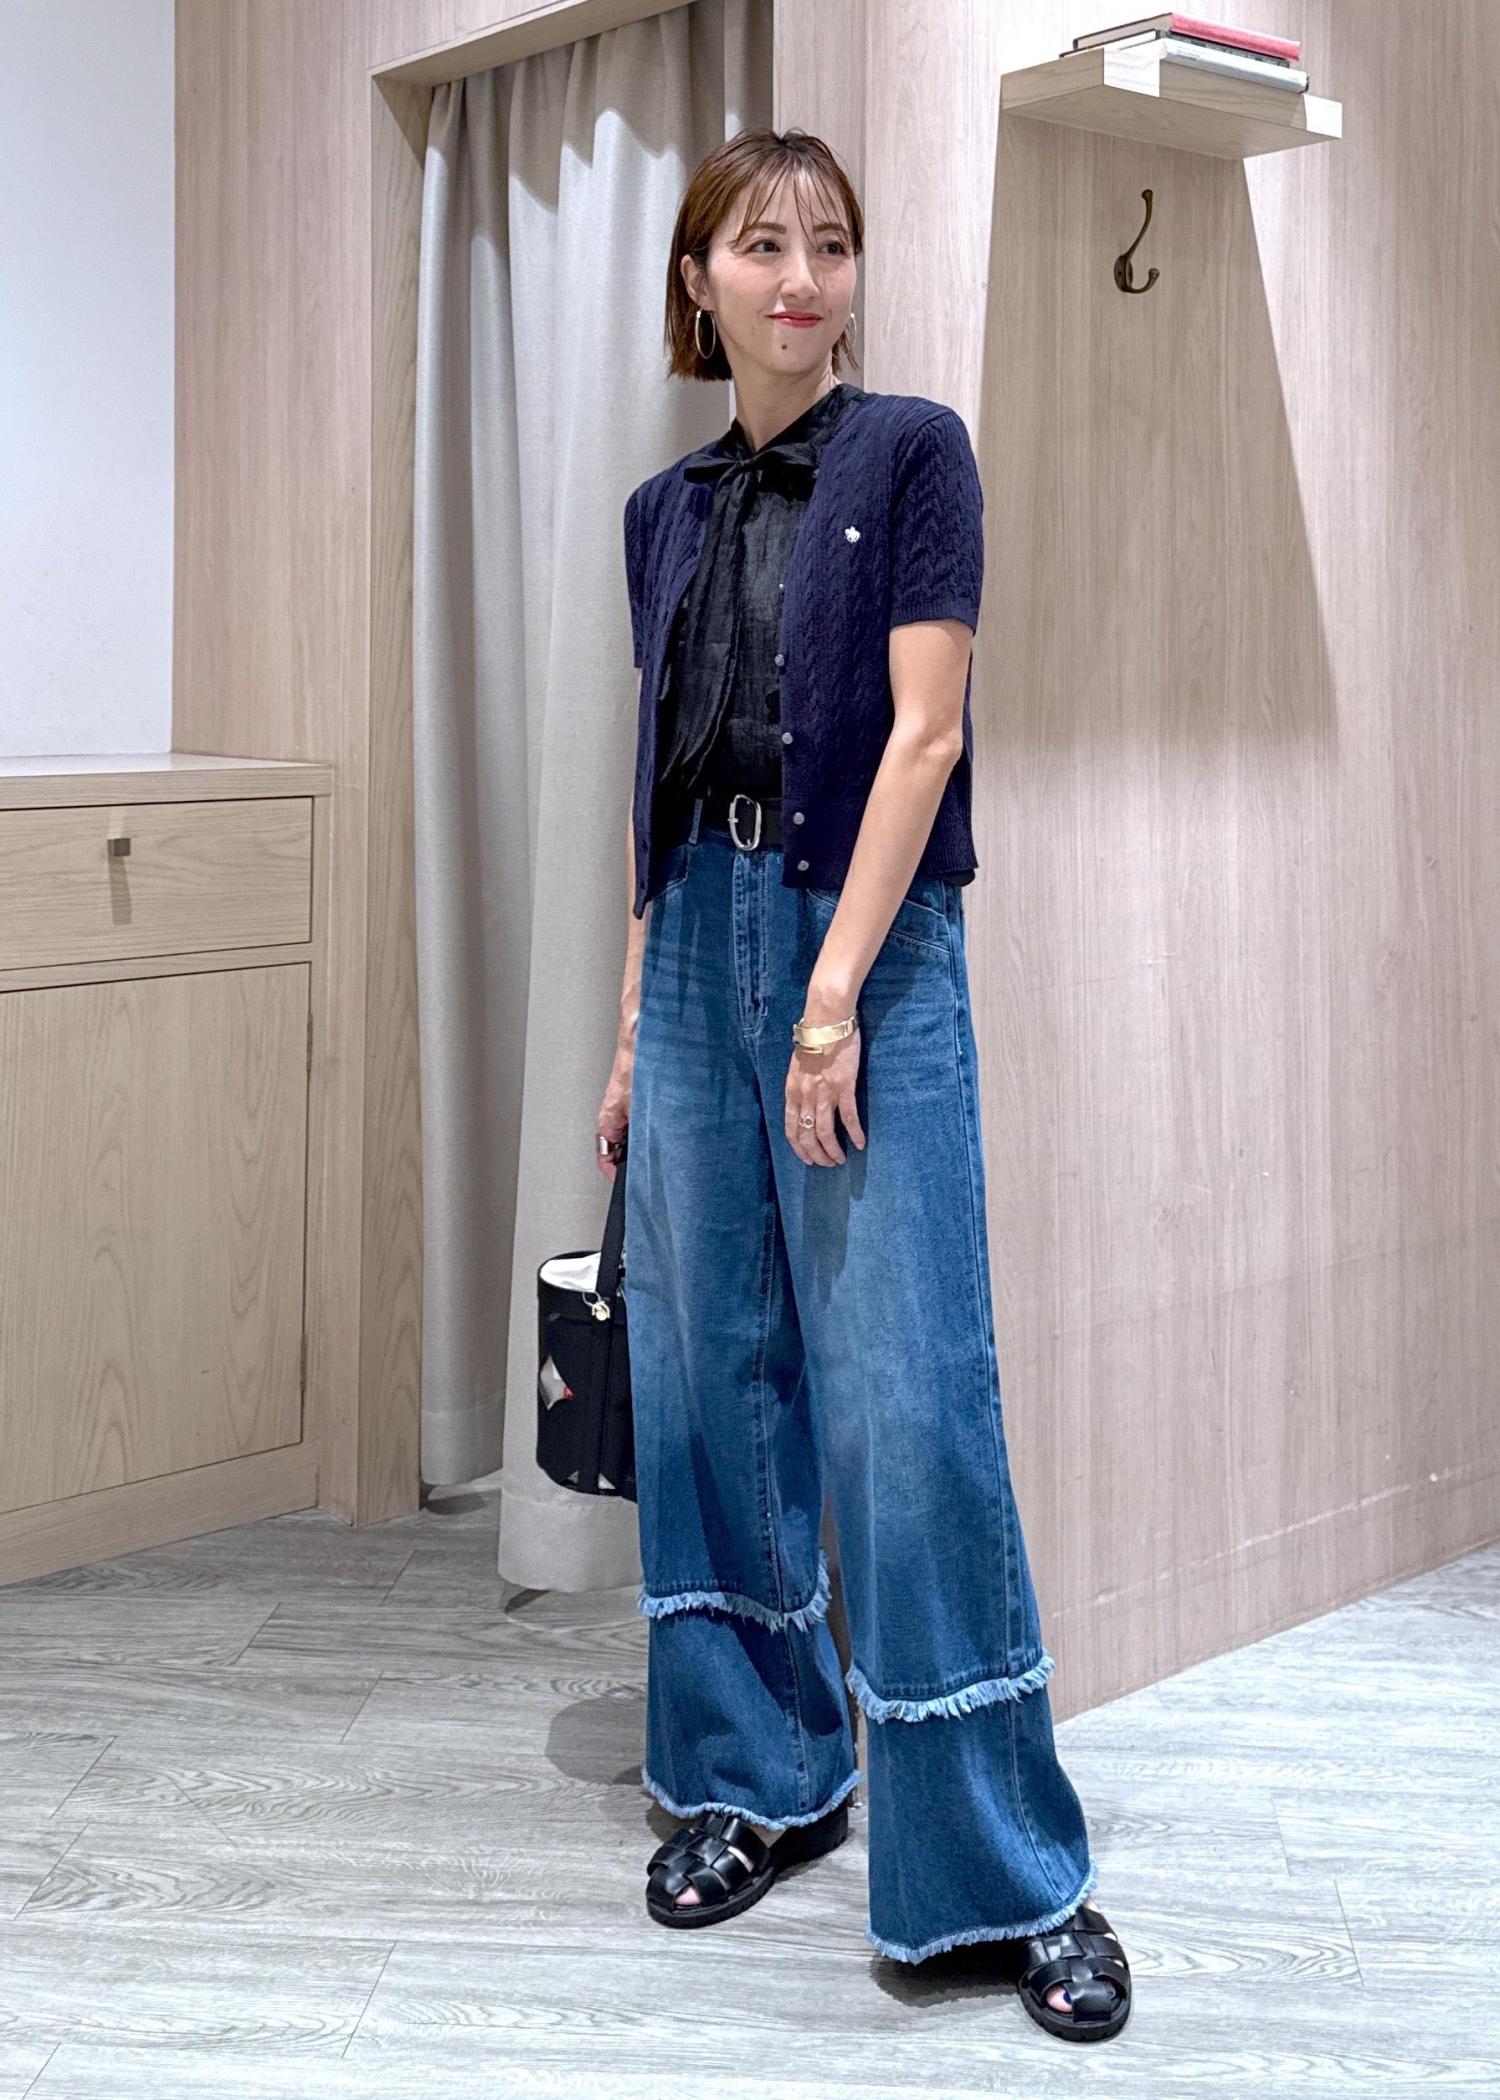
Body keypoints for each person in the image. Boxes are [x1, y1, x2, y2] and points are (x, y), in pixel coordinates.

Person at [595, 127, 1131, 2045]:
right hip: (698, 940)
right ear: (700, 282)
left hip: (863, 950)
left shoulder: (914, 454)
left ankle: (1000, 1871)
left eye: (829, 244)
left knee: (908, 1396)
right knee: (710, 1377)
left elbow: (925, 734)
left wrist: (827, 1002)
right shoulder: (659, 513)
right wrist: (635, 1026)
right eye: (762, 246)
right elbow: (656, 788)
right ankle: (761, 1776)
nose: (801, 277)